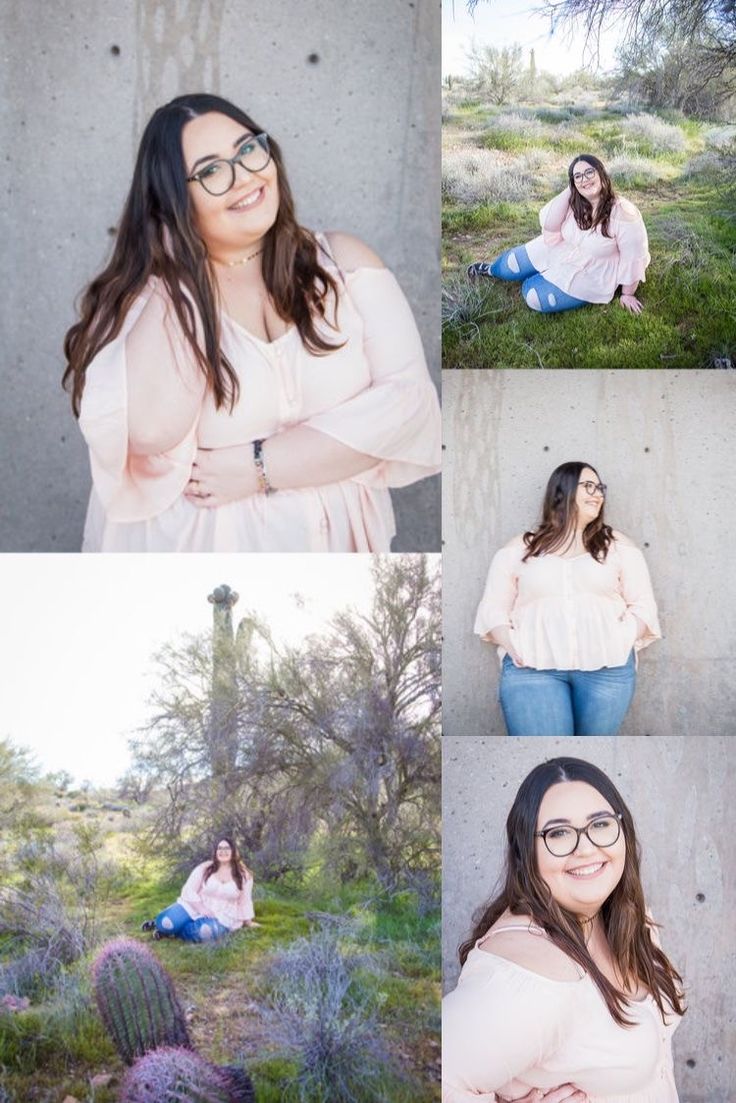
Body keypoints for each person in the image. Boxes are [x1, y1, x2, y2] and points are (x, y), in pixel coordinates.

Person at [63, 93, 441, 553]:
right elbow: (149, 432)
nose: (245, 176)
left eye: (247, 149)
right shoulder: (148, 301)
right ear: (173, 200)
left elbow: (412, 407)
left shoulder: (344, 263)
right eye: (211, 170)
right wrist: (180, 271)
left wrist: (258, 467)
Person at [442, 757, 685, 1103]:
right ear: (527, 852)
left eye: (600, 824)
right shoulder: (536, 968)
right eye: (558, 833)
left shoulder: (628, 919)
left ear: (623, 830)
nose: (586, 847)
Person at [474, 461, 660, 737]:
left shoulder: (618, 546)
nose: (598, 494)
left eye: (600, 488)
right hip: (532, 671)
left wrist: (621, 639)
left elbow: (644, 605)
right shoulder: (520, 548)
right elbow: (493, 608)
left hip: (608, 671)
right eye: (589, 486)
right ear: (563, 491)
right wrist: (514, 646)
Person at [467, 154, 650, 315]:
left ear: (602, 173)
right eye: (577, 176)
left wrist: (627, 294)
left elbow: (633, 257)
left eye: (589, 173)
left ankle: (544, 276)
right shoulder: (576, 200)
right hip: (562, 247)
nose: (584, 179)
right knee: (510, 265)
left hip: (594, 270)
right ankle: (491, 270)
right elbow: (550, 225)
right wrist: (573, 188)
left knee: (532, 295)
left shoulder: (624, 213)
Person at [141, 838, 259, 943]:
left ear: (233, 851)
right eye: (220, 848)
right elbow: (189, 890)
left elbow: (245, 901)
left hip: (221, 916)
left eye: (227, 848)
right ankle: (162, 926)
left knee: (205, 932)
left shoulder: (244, 875)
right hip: (195, 906)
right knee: (166, 922)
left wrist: (248, 922)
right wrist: (202, 909)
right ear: (216, 852)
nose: (223, 851)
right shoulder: (205, 868)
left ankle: (175, 931)